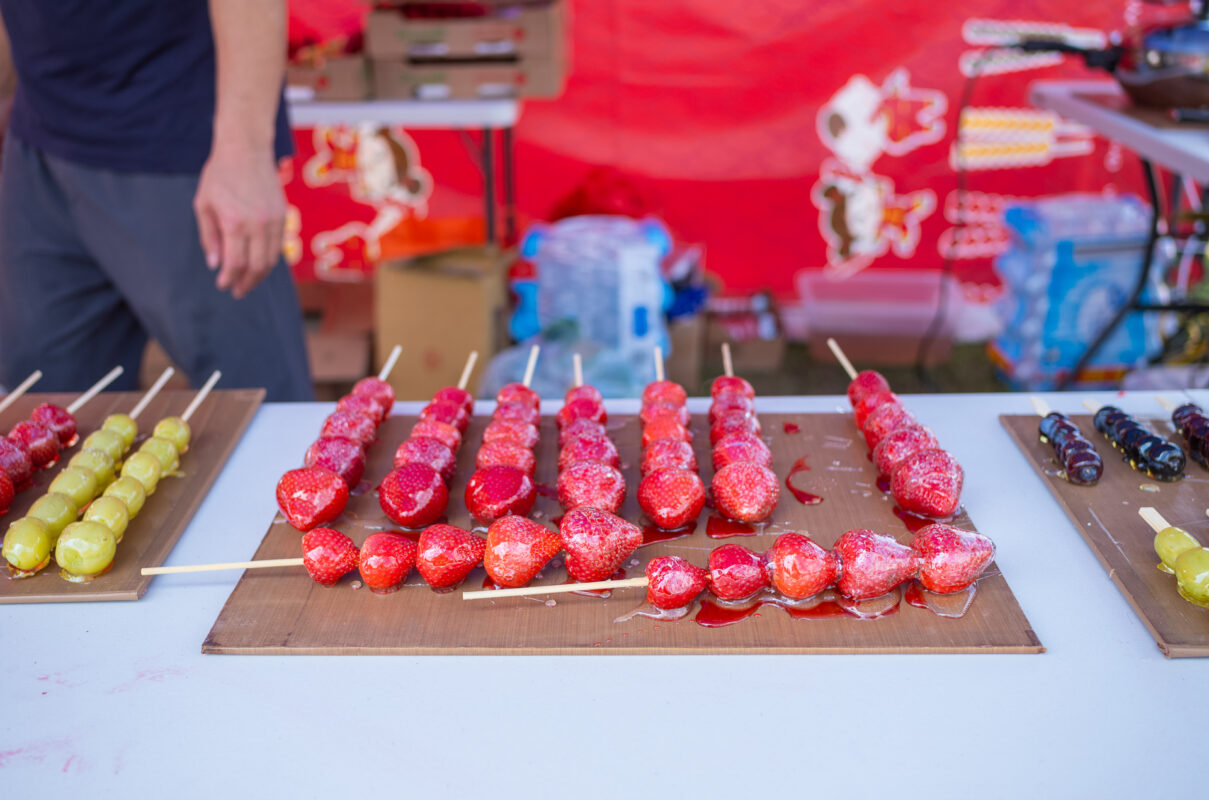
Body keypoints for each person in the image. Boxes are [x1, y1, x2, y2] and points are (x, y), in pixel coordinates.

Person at [0, 1, 313, 401]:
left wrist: (245, 153)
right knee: (41, 415)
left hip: (178, 142)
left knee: (260, 403)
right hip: (42, 132)